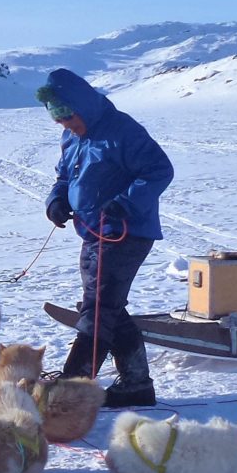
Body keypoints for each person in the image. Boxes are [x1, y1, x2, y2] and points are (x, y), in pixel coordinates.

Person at [37, 68, 175, 407]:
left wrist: (125, 204)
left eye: (70, 118)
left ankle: (72, 389)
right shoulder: (71, 137)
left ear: (82, 106)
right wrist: (56, 199)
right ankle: (136, 384)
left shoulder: (122, 131)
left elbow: (160, 170)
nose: (66, 126)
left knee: (98, 309)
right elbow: (65, 176)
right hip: (93, 232)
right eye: (61, 122)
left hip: (127, 233)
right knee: (106, 306)